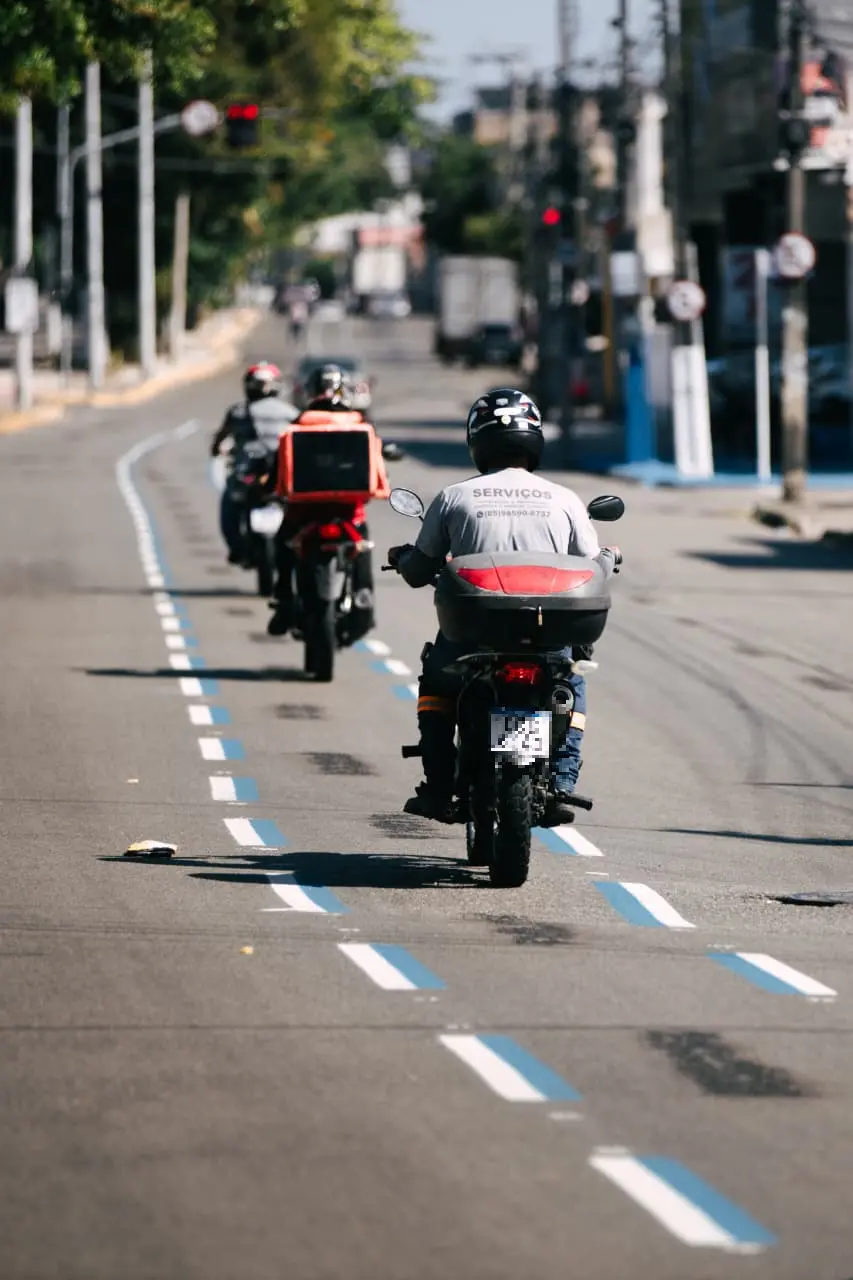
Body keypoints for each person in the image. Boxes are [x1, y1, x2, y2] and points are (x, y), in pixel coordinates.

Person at [388, 388, 620, 826]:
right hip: (547, 629)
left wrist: (402, 558)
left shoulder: (454, 496)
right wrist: (612, 555)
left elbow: (419, 570)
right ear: (535, 438)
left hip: (474, 631)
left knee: (437, 682)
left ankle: (437, 786)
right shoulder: (564, 499)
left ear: (477, 439)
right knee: (572, 684)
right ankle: (562, 781)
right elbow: (594, 567)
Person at [267, 364, 383, 639]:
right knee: (363, 548)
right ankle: (363, 598)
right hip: (349, 511)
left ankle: (283, 600)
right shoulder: (358, 422)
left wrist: (269, 486)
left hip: (302, 512)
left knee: (282, 545)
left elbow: (279, 466)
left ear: (311, 390)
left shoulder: (299, 422)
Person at [210, 361, 283, 564]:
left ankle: (238, 549)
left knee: (229, 505)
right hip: (277, 477)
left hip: (251, 477)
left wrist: (217, 449)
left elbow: (221, 438)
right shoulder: (290, 412)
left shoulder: (238, 412)